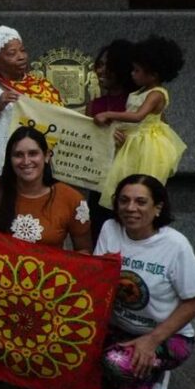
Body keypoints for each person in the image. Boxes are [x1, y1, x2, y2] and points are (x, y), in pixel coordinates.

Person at [95, 175, 195, 389]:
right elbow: (99, 280)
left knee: (115, 365)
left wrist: (152, 340)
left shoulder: (176, 245)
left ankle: (156, 374)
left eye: (141, 202)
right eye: (124, 200)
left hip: (166, 335)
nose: (130, 208)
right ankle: (142, 370)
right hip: (118, 328)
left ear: (158, 208)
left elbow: (194, 303)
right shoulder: (110, 229)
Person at [0, 126, 92, 252]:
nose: (26, 161)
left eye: (33, 154)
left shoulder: (71, 199)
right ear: (9, 159)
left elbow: (84, 252)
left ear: (47, 156)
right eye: (18, 155)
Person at [0, 25, 64, 192]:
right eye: (12, 53)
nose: (21, 57)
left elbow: (62, 127)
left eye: (22, 51)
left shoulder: (43, 88)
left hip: (37, 172)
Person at [94, 36, 188, 210]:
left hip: (144, 142)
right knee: (120, 177)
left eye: (137, 70)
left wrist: (109, 114)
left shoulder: (156, 94)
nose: (133, 73)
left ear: (153, 74)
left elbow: (138, 116)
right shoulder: (142, 91)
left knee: (141, 181)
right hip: (130, 141)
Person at [86, 39, 138, 240]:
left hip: (132, 184)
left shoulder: (140, 103)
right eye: (99, 65)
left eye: (107, 66)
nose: (100, 70)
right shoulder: (94, 105)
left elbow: (160, 138)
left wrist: (129, 142)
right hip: (100, 187)